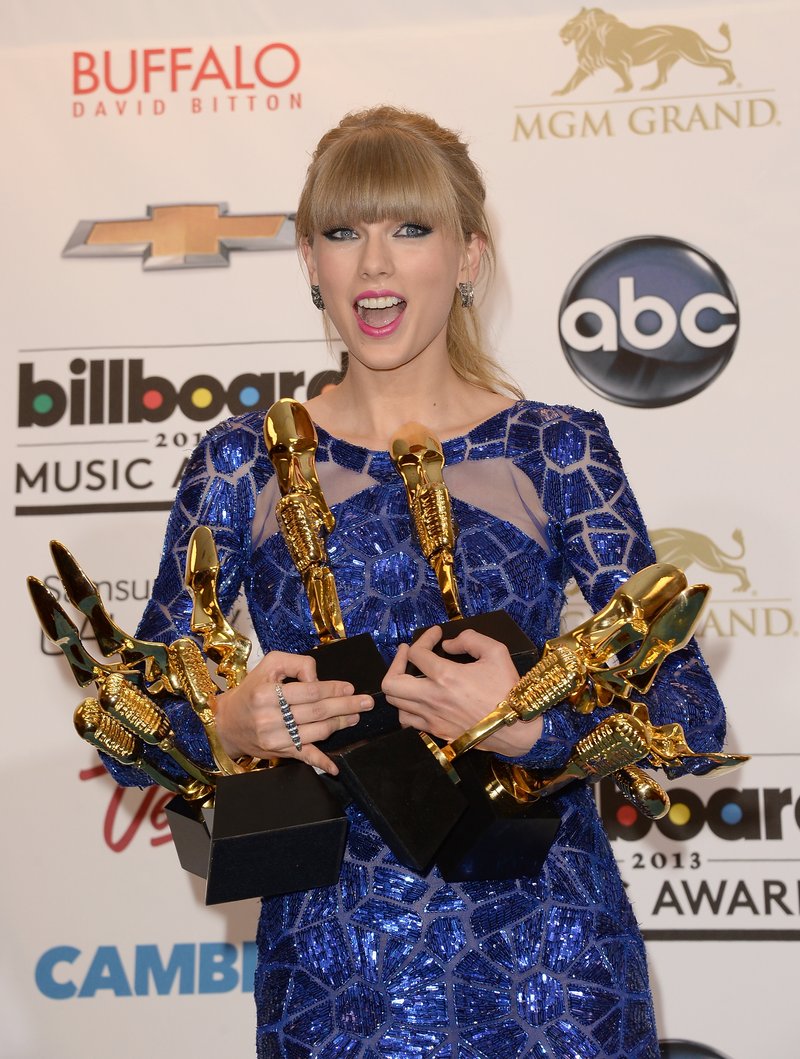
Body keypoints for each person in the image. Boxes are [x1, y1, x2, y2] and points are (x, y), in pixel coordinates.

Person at [103, 106, 726, 1058]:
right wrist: (226, 725)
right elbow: (130, 721)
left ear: (470, 257)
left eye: (411, 229)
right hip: (333, 968)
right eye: (345, 233)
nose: (376, 265)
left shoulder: (555, 450)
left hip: (550, 966)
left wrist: (535, 718)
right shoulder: (243, 464)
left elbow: (689, 715)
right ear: (310, 260)